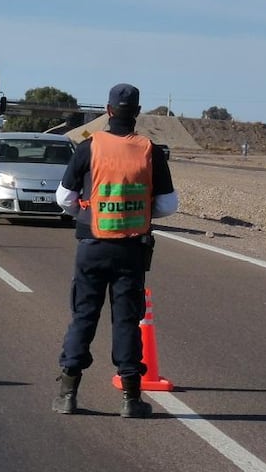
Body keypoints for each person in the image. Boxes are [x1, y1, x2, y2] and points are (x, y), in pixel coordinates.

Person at [52, 83, 178, 418]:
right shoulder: (150, 150)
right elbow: (168, 204)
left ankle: (67, 394)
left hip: (92, 246)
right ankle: (131, 400)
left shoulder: (89, 147)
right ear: (137, 113)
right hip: (131, 251)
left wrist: (87, 213)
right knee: (126, 321)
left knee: (83, 317)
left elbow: (63, 198)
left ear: (107, 111)